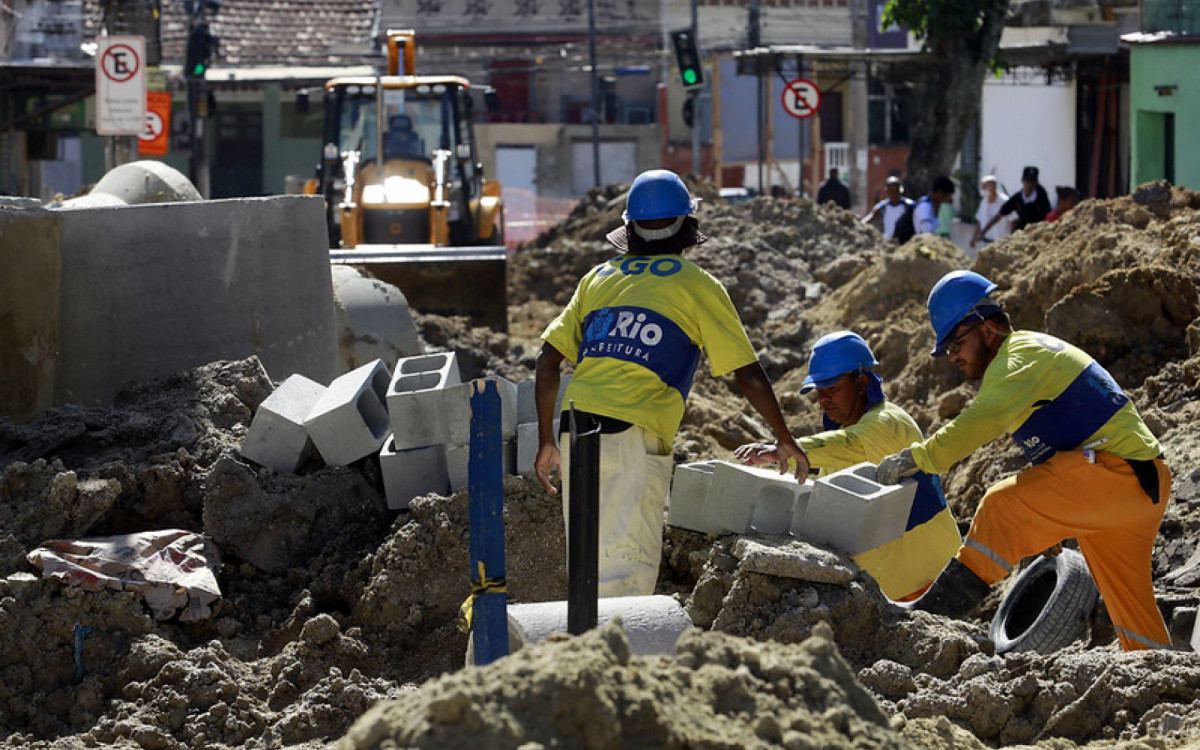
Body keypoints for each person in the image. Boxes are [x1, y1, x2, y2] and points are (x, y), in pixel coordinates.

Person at [534, 169, 808, 597]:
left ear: (629, 229)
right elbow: (748, 373)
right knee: (629, 567)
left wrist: (546, 439)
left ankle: (587, 650)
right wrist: (785, 437)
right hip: (632, 431)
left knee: (587, 560)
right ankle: (621, 656)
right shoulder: (697, 285)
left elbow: (548, 360)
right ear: (689, 227)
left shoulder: (599, 278)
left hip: (576, 427)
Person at [876, 270, 1172, 651]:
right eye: (947, 349)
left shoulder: (1018, 357)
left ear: (986, 329)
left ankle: (929, 616)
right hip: (1139, 483)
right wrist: (1050, 520)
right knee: (1131, 611)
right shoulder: (1027, 360)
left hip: (1119, 475)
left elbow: (983, 417)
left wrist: (922, 457)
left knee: (1001, 505)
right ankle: (1162, 681)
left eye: (956, 344)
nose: (953, 357)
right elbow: (1061, 447)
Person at [734, 331, 961, 601]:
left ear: (862, 381)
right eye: (819, 392)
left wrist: (788, 449)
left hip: (929, 579)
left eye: (832, 389)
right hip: (889, 586)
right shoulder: (845, 431)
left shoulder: (887, 422)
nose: (823, 400)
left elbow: (851, 443)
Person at [979, 165, 1051, 236]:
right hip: (1022, 234)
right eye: (1027, 181)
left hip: (1038, 234)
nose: (1029, 185)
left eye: (1032, 182)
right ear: (1022, 181)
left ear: (1036, 183)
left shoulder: (1042, 197)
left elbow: (1048, 217)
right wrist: (983, 232)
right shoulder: (1017, 198)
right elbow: (1000, 214)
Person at [862, 175, 915, 242]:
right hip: (888, 243)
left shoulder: (909, 206)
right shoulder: (883, 207)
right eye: (892, 191)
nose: (894, 194)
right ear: (887, 192)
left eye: (896, 191)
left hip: (905, 242)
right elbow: (870, 218)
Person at [971, 174, 1011, 248]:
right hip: (985, 243)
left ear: (992, 187)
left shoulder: (1004, 201)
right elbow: (979, 221)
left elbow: (1013, 221)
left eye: (984, 186)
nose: (983, 189)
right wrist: (974, 237)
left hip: (1001, 244)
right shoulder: (983, 202)